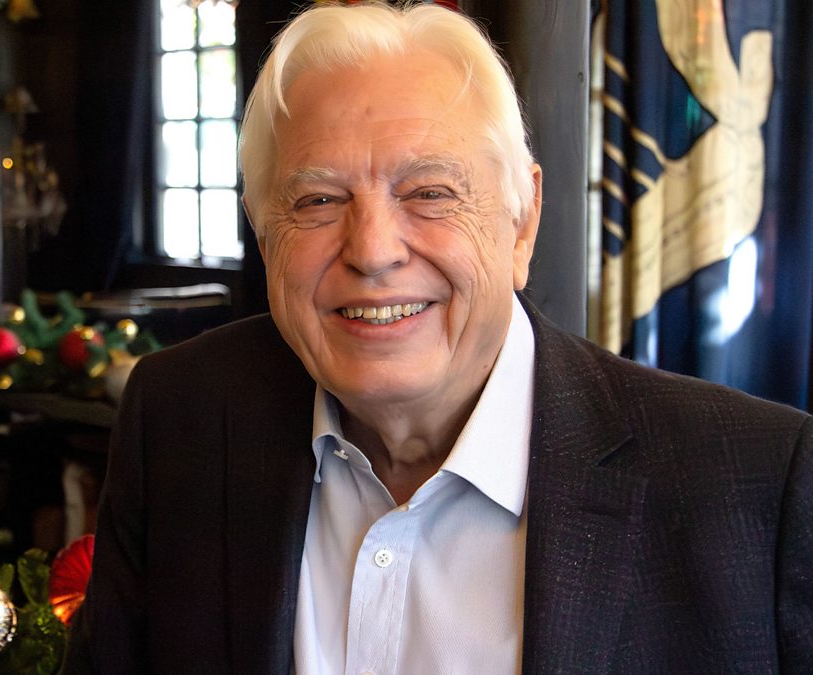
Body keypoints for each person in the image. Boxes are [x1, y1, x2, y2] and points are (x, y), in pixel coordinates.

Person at [64, 2, 813, 673]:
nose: (372, 251)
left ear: (522, 221)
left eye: (429, 193)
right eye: (318, 200)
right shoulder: (179, 419)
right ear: (264, 237)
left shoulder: (759, 486)